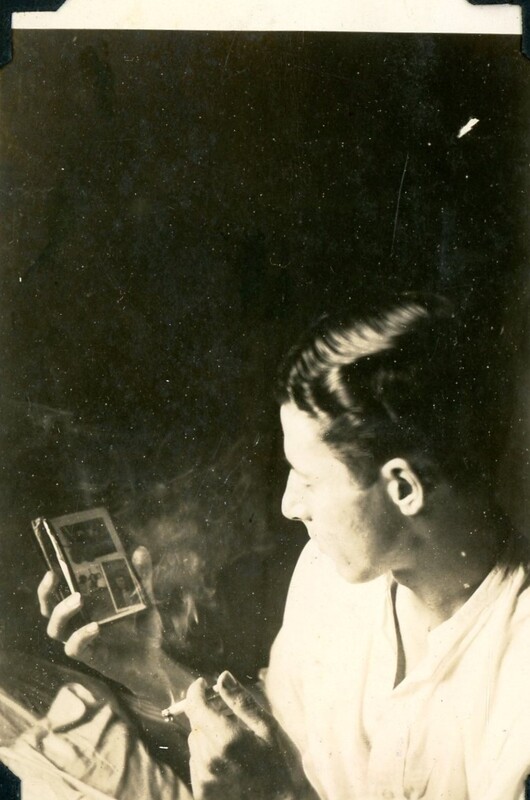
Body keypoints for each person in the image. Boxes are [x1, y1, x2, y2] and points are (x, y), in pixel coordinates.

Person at [38, 293, 530, 800]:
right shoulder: (329, 572)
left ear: (403, 487)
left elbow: (277, 782)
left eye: (309, 478)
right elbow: (279, 740)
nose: (289, 505)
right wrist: (148, 667)